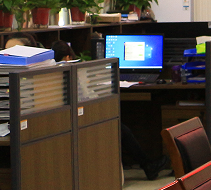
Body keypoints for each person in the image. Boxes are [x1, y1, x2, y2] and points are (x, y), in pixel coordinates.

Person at [48, 40, 171, 180]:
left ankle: (146, 164)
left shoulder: (52, 74)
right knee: (122, 130)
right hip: (82, 118)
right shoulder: (71, 71)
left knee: (122, 128)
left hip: (70, 119)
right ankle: (148, 165)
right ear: (68, 57)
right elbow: (86, 97)